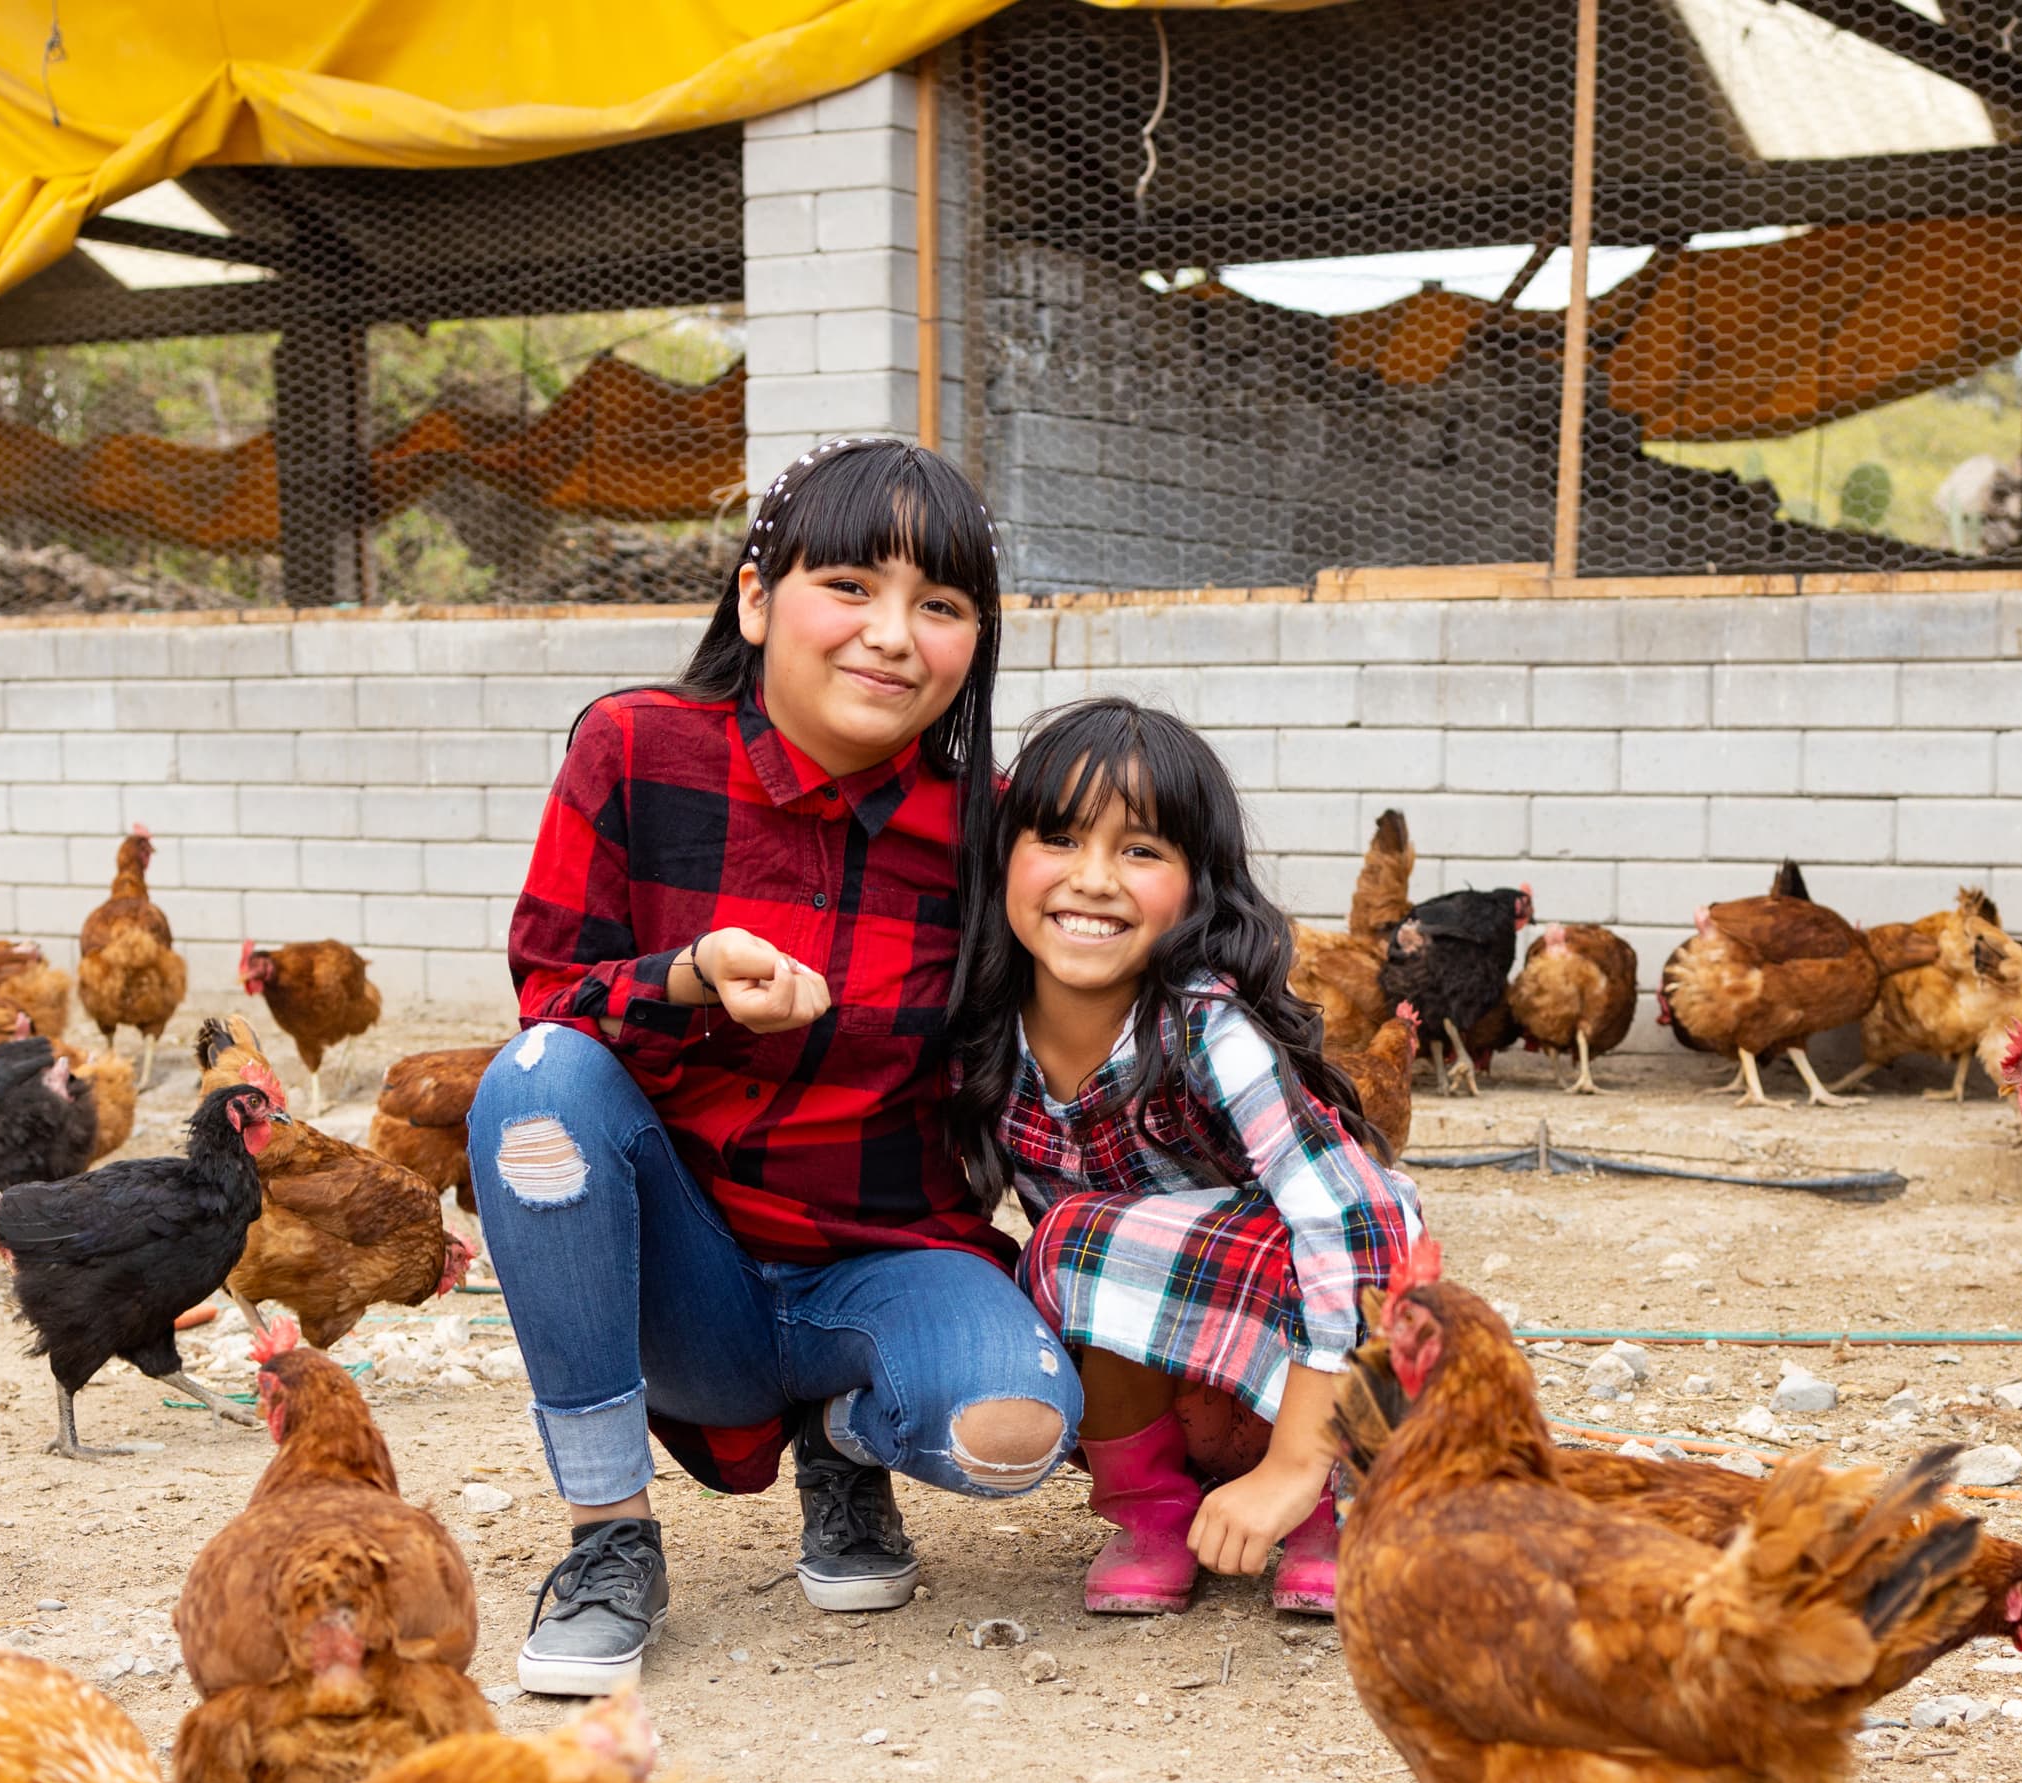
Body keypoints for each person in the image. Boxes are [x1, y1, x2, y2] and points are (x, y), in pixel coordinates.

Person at [472, 438, 1071, 1696]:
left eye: (941, 606)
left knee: (1017, 1435)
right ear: (756, 600)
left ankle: (845, 1439)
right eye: (850, 586)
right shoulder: (637, 750)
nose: (894, 636)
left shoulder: (991, 828)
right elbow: (552, 1007)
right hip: (689, 1277)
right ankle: (608, 1538)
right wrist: (687, 980)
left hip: (888, 1260)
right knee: (533, 1085)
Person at [948, 697, 1419, 1617]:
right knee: (1065, 1251)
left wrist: (1295, 1462)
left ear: (1197, 885)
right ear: (1003, 856)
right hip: (1163, 1369)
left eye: (1141, 850)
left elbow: (1355, 1222)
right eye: (1060, 838)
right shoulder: (983, 1040)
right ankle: (1152, 1509)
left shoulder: (1203, 1024)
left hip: (1317, 1366)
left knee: (1086, 1235)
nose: (1093, 879)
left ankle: (1325, 1505)